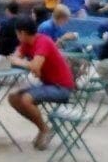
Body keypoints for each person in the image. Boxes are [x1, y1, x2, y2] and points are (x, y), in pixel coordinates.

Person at [8, 17, 75, 150]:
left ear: (22, 33)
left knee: (26, 99)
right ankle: (42, 127)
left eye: (17, 33)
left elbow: (33, 65)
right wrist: (30, 65)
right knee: (13, 98)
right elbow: (14, 58)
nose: (17, 36)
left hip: (61, 87)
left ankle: (45, 130)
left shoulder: (43, 41)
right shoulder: (26, 43)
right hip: (47, 84)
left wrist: (27, 65)